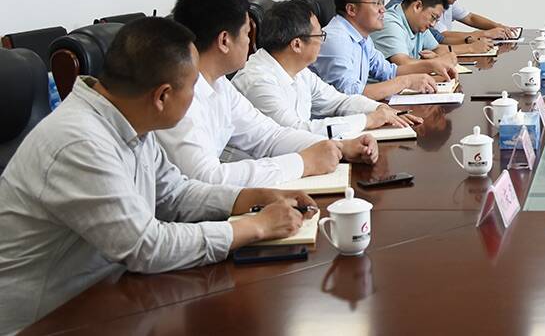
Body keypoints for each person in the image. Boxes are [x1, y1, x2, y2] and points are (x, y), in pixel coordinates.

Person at [0, 18, 317, 332]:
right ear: (162, 96)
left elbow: (175, 195)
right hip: (46, 322)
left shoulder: (129, 121)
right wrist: (255, 226)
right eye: (193, 86)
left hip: (110, 297)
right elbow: (146, 246)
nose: (197, 96)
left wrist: (250, 197)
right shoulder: (79, 142)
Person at [156, 0, 378, 187]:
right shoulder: (178, 97)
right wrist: (303, 163)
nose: (250, 42)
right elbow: (206, 178)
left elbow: (269, 135)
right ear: (224, 41)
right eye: (247, 33)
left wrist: (339, 147)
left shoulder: (220, 84)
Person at [233, 0, 422, 139]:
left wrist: (379, 109)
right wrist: (368, 120)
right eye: (319, 35)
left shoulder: (300, 71)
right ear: (297, 44)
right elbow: (295, 132)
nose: (323, 41)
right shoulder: (259, 81)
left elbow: (339, 101)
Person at [311, 0, 455, 99]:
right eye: (376, 3)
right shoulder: (337, 39)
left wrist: (431, 65)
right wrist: (407, 82)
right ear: (351, 9)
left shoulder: (362, 37)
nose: (383, 10)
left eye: (382, 2)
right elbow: (348, 94)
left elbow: (388, 71)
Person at [373, 0, 467, 65]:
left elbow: (436, 49)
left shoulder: (417, 25)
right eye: (433, 17)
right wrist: (436, 62)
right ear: (417, 6)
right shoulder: (390, 23)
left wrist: (443, 57)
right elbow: (403, 63)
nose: (433, 24)